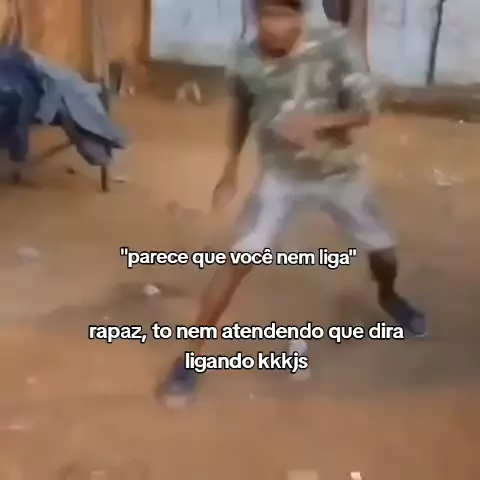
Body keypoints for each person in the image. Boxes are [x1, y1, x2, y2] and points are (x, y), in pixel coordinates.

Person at [159, 0, 427, 405]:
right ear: (254, 15)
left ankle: (388, 295)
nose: (273, 25)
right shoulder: (245, 59)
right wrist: (230, 166)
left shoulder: (337, 45)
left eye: (284, 15)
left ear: (301, 15)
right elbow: (242, 110)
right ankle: (190, 360)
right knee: (237, 260)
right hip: (281, 177)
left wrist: (317, 124)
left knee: (384, 254)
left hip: (340, 174)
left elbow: (366, 109)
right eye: (266, 14)